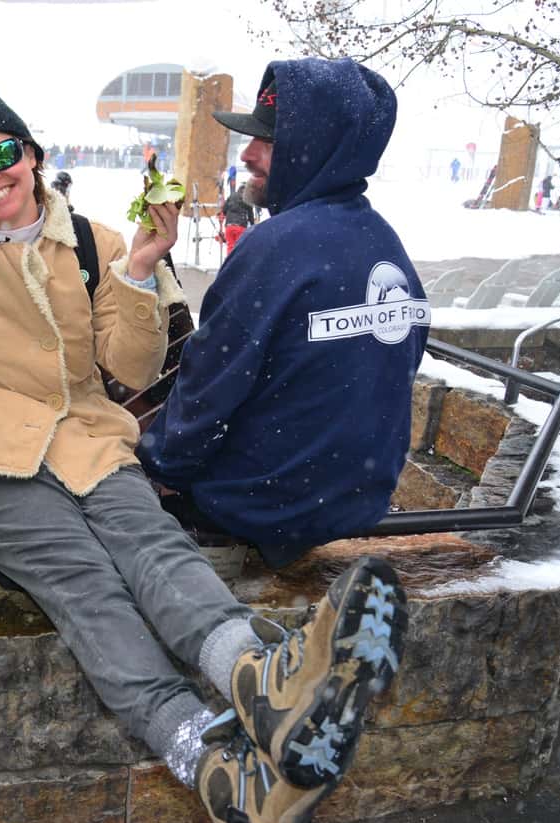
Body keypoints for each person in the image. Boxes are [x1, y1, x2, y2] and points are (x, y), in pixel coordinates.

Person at [0, 78, 407, 823]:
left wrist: (139, 269)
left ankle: (256, 688)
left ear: (29, 153)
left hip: (89, 441)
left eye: (1, 154)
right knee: (87, 588)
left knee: (154, 547)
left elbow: (130, 365)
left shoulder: (94, 243)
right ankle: (214, 763)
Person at [140, 57, 430, 580]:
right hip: (357, 502)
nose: (247, 155)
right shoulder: (386, 245)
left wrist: (154, 464)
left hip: (262, 510)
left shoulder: (274, 248)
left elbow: (208, 388)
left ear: (316, 148)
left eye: (268, 141)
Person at [219, 182, 255, 254]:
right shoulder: (247, 198)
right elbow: (250, 213)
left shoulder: (232, 196)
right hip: (240, 226)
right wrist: (252, 224)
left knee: (230, 247)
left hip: (229, 226)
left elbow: (224, 210)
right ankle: (238, 263)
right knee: (240, 247)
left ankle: (230, 263)